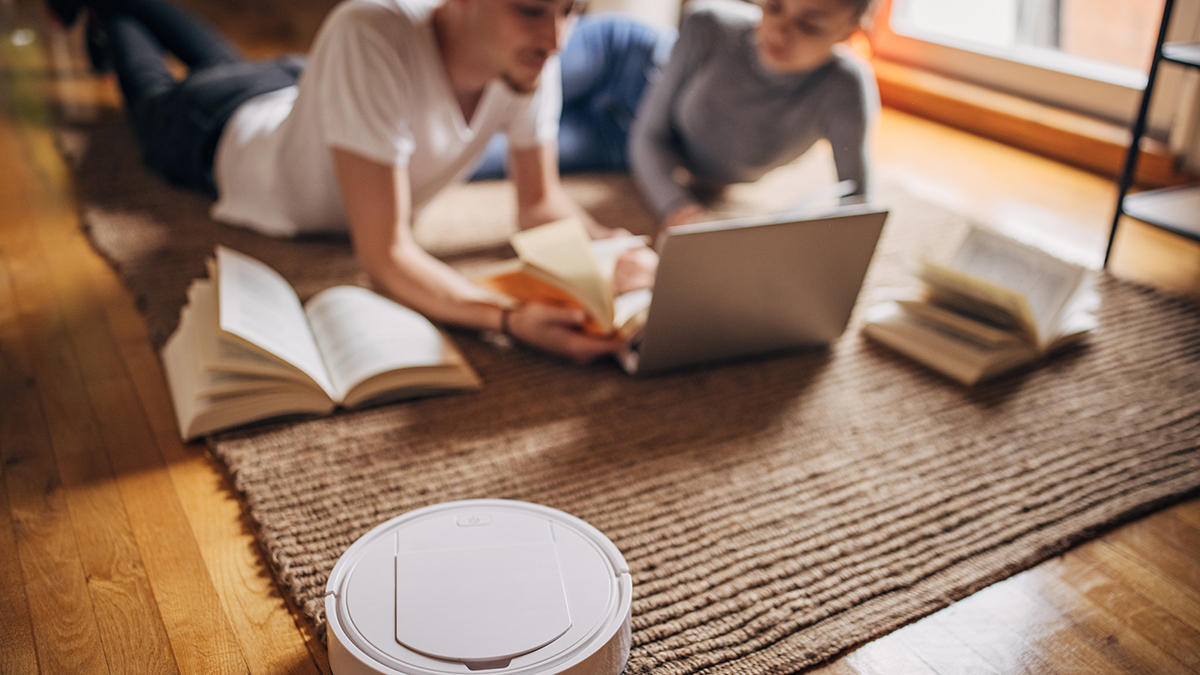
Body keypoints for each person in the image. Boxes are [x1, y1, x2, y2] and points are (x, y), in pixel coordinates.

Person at [45, 0, 658, 363]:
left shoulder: (529, 57)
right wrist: (509, 317)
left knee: (227, 62)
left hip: (301, 91)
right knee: (152, 91)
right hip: (217, 129)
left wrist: (612, 248)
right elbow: (385, 255)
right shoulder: (373, 30)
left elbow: (540, 203)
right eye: (531, 8)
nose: (557, 38)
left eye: (571, 9)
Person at [630, 0, 881, 230]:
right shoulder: (708, 24)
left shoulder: (844, 87)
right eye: (774, 7)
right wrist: (677, 207)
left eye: (808, 25)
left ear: (850, 31)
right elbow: (649, 135)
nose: (779, 31)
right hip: (630, 71)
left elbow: (857, 203)